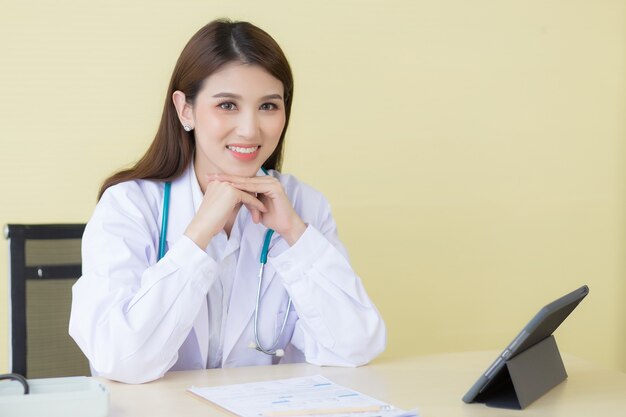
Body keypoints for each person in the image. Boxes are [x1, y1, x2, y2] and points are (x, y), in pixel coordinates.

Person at [69, 18, 386, 384]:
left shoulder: (303, 205)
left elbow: (356, 347)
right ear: (185, 110)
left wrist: (295, 234)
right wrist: (198, 236)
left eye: (268, 106)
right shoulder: (128, 206)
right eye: (227, 106)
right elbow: (121, 359)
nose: (251, 129)